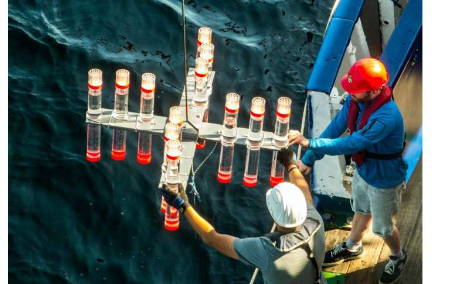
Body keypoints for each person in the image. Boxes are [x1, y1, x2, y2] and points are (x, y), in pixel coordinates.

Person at [288, 58, 407, 284]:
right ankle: (353, 246)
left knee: (383, 228)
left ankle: (398, 256)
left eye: (355, 89)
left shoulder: (386, 118)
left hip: (385, 180)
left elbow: (351, 144)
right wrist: (309, 159)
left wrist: (309, 143)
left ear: (374, 91)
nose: (349, 92)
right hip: (363, 171)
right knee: (360, 209)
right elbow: (336, 128)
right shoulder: (356, 101)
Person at [161, 148, 326, 284]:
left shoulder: (268, 251)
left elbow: (212, 239)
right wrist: (291, 164)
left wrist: (183, 206)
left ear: (274, 215)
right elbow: (306, 194)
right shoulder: (316, 221)